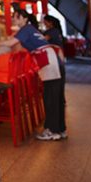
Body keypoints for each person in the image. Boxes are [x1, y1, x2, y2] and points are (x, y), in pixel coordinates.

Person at [8, 7, 66, 141]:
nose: (13, 19)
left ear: (24, 18)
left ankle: (52, 131)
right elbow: (18, 47)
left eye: (15, 17)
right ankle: (60, 129)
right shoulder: (29, 29)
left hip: (50, 63)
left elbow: (10, 43)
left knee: (51, 98)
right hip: (52, 62)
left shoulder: (26, 29)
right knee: (56, 98)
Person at [42, 15, 67, 105]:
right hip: (59, 59)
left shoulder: (52, 31)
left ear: (50, 22)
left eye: (45, 21)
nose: (44, 23)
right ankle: (61, 100)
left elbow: (42, 41)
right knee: (60, 81)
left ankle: (58, 101)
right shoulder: (57, 31)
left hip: (55, 59)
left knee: (55, 82)